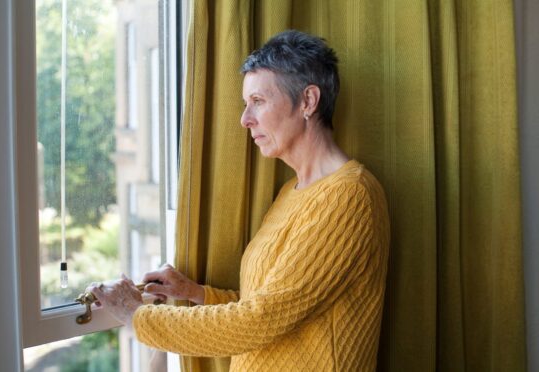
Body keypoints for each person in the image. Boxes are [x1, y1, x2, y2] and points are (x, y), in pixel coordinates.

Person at [88, 30, 390, 371]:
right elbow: (271, 305)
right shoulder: (291, 193)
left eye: (258, 102)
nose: (245, 119)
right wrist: (195, 292)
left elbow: (258, 321)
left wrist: (136, 314)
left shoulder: (350, 197)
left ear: (308, 101)